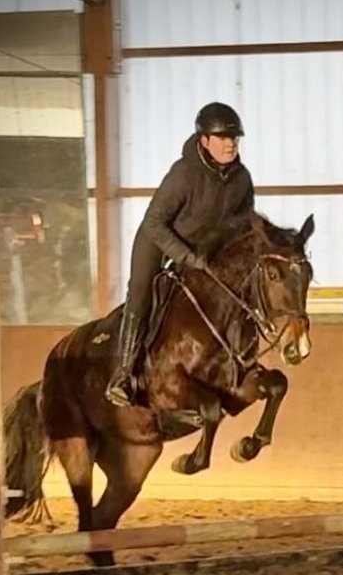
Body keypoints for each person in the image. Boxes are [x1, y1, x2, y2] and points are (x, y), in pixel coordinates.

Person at [105, 101, 255, 406]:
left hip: (202, 247)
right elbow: (154, 222)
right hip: (157, 240)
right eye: (223, 138)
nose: (230, 144)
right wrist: (187, 257)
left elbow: (244, 223)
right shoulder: (184, 174)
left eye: (234, 138)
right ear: (205, 140)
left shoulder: (242, 179)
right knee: (141, 294)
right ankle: (123, 374)